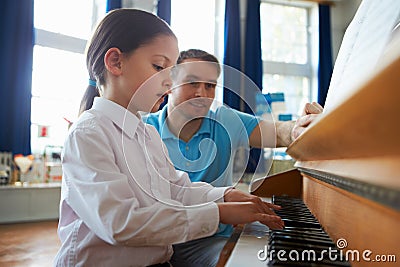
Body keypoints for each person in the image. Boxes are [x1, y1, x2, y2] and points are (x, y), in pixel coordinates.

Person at [55, 9, 284, 267]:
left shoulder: (146, 133)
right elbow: (120, 223)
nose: (169, 82)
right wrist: (218, 213)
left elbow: (176, 189)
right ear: (116, 62)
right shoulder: (88, 134)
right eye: (159, 67)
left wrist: (225, 196)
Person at [144, 49, 322, 266]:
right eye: (192, 83)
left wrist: (298, 128)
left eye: (210, 86)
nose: (202, 93)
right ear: (169, 85)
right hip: (156, 240)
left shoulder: (225, 119)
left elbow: (276, 132)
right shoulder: (144, 129)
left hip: (209, 240)